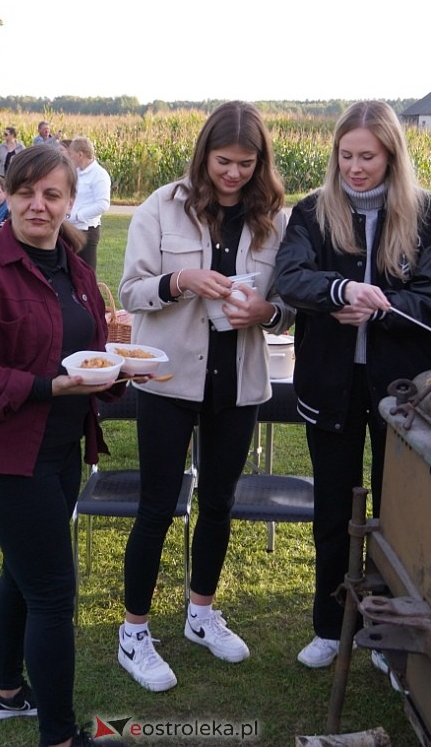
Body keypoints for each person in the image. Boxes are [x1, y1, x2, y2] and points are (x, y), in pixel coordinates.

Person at [116, 101, 294, 691]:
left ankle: (200, 613)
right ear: (204, 156)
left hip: (237, 383)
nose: (234, 174)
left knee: (218, 502)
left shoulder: (274, 219)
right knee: (157, 505)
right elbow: (132, 290)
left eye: (246, 163)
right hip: (168, 381)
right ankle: (134, 632)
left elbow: (289, 306)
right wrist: (180, 281)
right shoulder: (160, 208)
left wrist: (266, 311)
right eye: (224, 161)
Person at [0, 143, 118, 747]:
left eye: (52, 194)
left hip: (61, 450)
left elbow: (90, 347)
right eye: (26, 192)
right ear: (8, 195)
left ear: (71, 202)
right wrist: (50, 385)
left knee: (22, 574)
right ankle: (61, 735)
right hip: (6, 458)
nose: (38, 205)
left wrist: (116, 370)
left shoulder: (75, 269)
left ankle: (5, 692)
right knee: (52, 592)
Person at [275, 100, 431, 669]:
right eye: (346, 155)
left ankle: (383, 624)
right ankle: (331, 625)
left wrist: (384, 310)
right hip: (330, 385)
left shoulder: (425, 215)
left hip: (400, 391)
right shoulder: (311, 212)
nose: (356, 167)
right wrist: (339, 292)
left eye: (368, 157)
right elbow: (290, 277)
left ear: (392, 155)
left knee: (395, 513)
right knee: (333, 507)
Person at [65, 136, 111, 271]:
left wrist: (79, 215)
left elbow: (103, 204)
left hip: (87, 232)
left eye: (71, 155)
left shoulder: (99, 175)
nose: (70, 158)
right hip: (70, 228)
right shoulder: (76, 173)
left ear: (80, 155)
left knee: (85, 274)